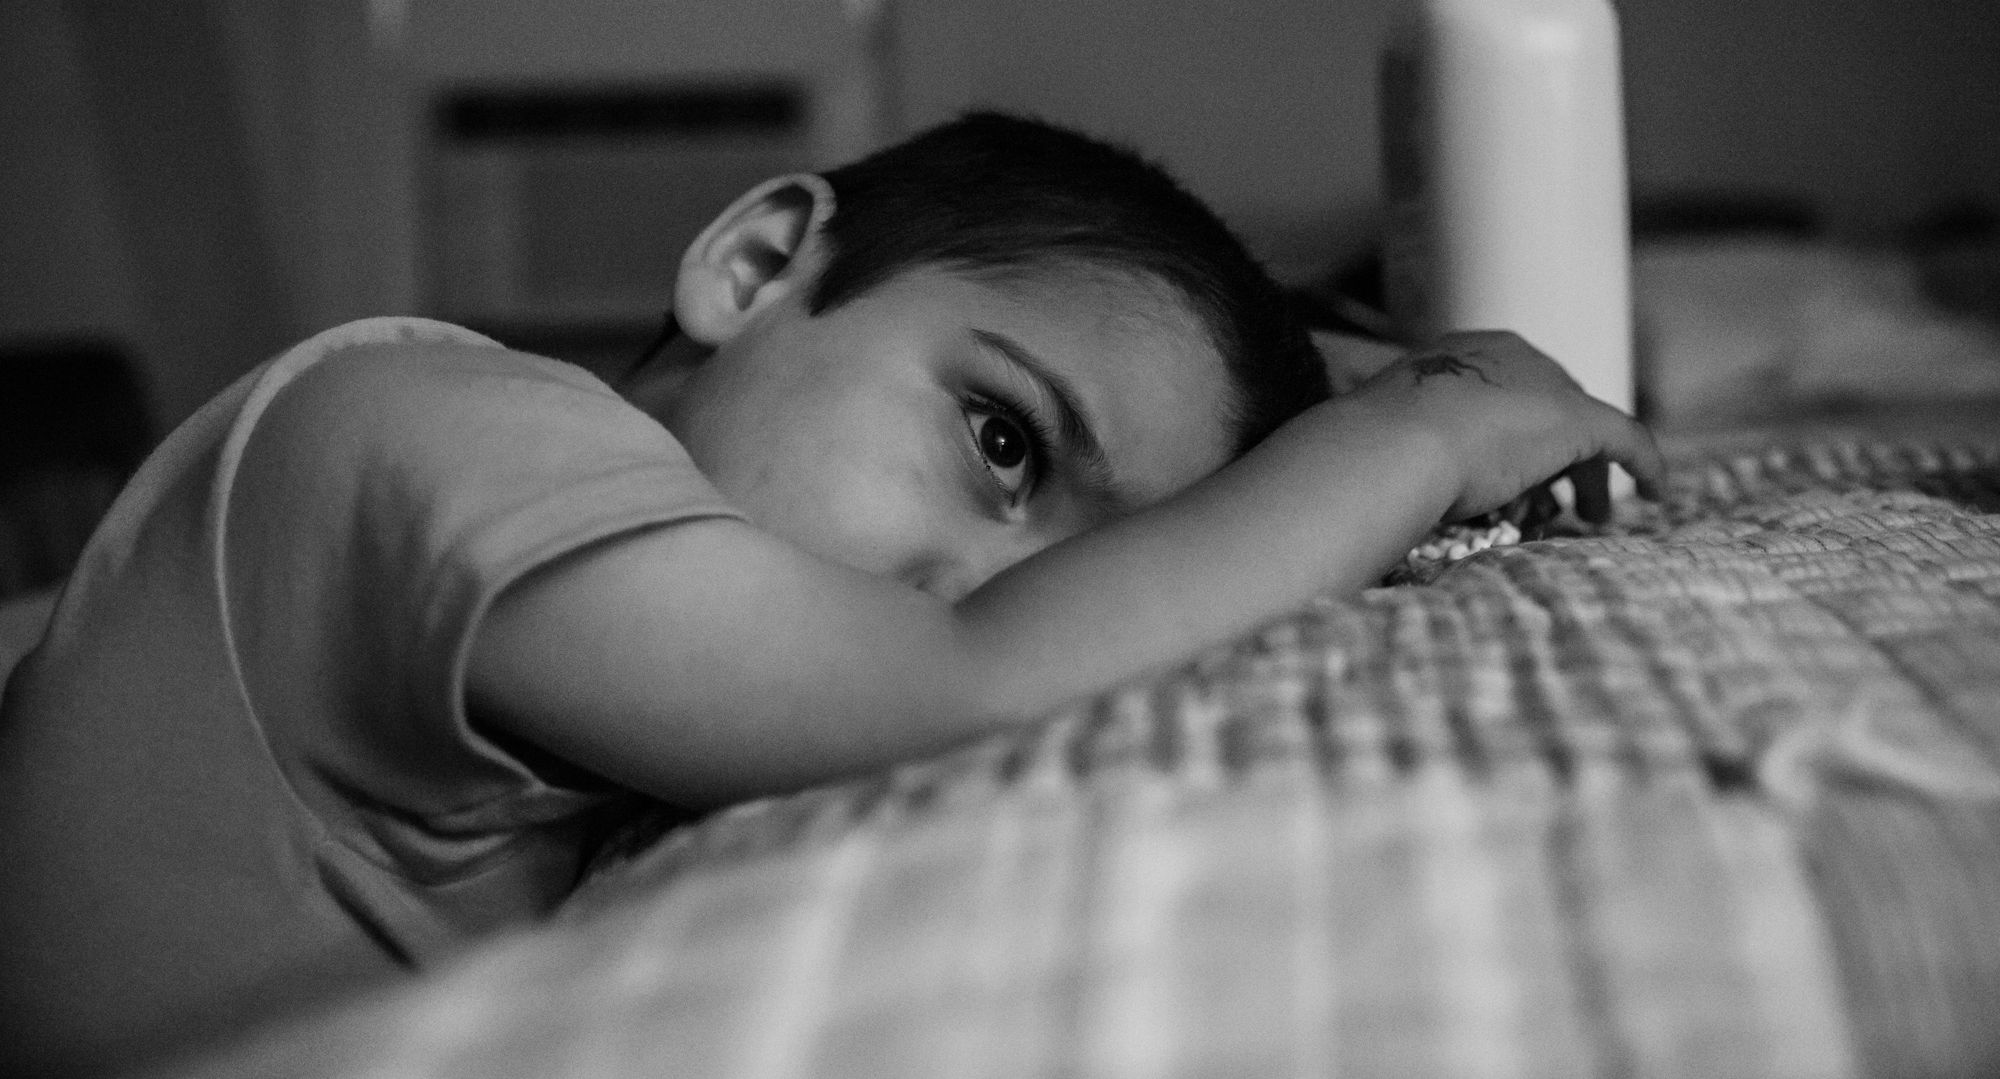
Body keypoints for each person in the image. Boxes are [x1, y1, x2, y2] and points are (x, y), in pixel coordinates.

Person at [0, 112, 1661, 1076]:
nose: (990, 577)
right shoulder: (432, 438)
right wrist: (1423, 431)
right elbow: (954, 678)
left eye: (1085, 572)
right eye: (1002, 442)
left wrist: (1335, 397)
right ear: (752, 268)